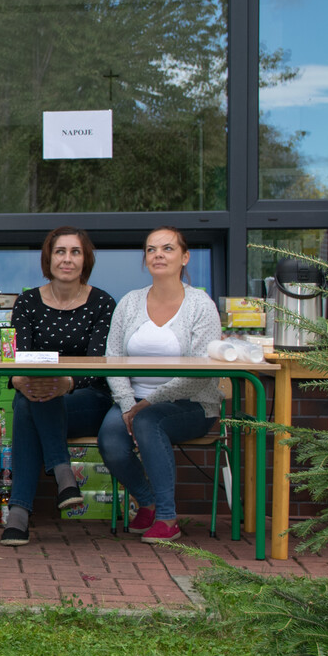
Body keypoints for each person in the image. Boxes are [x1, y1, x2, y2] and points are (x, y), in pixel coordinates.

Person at [96, 226, 222, 543]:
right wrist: (128, 404)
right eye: (151, 249)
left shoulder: (201, 305)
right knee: (110, 440)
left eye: (167, 248)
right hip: (133, 401)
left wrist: (147, 404)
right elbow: (113, 357)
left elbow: (201, 372)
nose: (158, 255)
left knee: (149, 421)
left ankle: (167, 518)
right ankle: (148, 503)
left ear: (185, 257)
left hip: (192, 405)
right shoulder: (130, 302)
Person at [0, 227, 117, 546]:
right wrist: (20, 381)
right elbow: (13, 358)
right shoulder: (26, 302)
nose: (67, 259)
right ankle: (64, 476)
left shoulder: (103, 302)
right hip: (35, 394)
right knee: (29, 402)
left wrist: (66, 383)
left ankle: (19, 513)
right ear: (48, 259)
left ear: (85, 259)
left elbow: (98, 363)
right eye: (60, 251)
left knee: (31, 404)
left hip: (88, 399)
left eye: (75, 252)